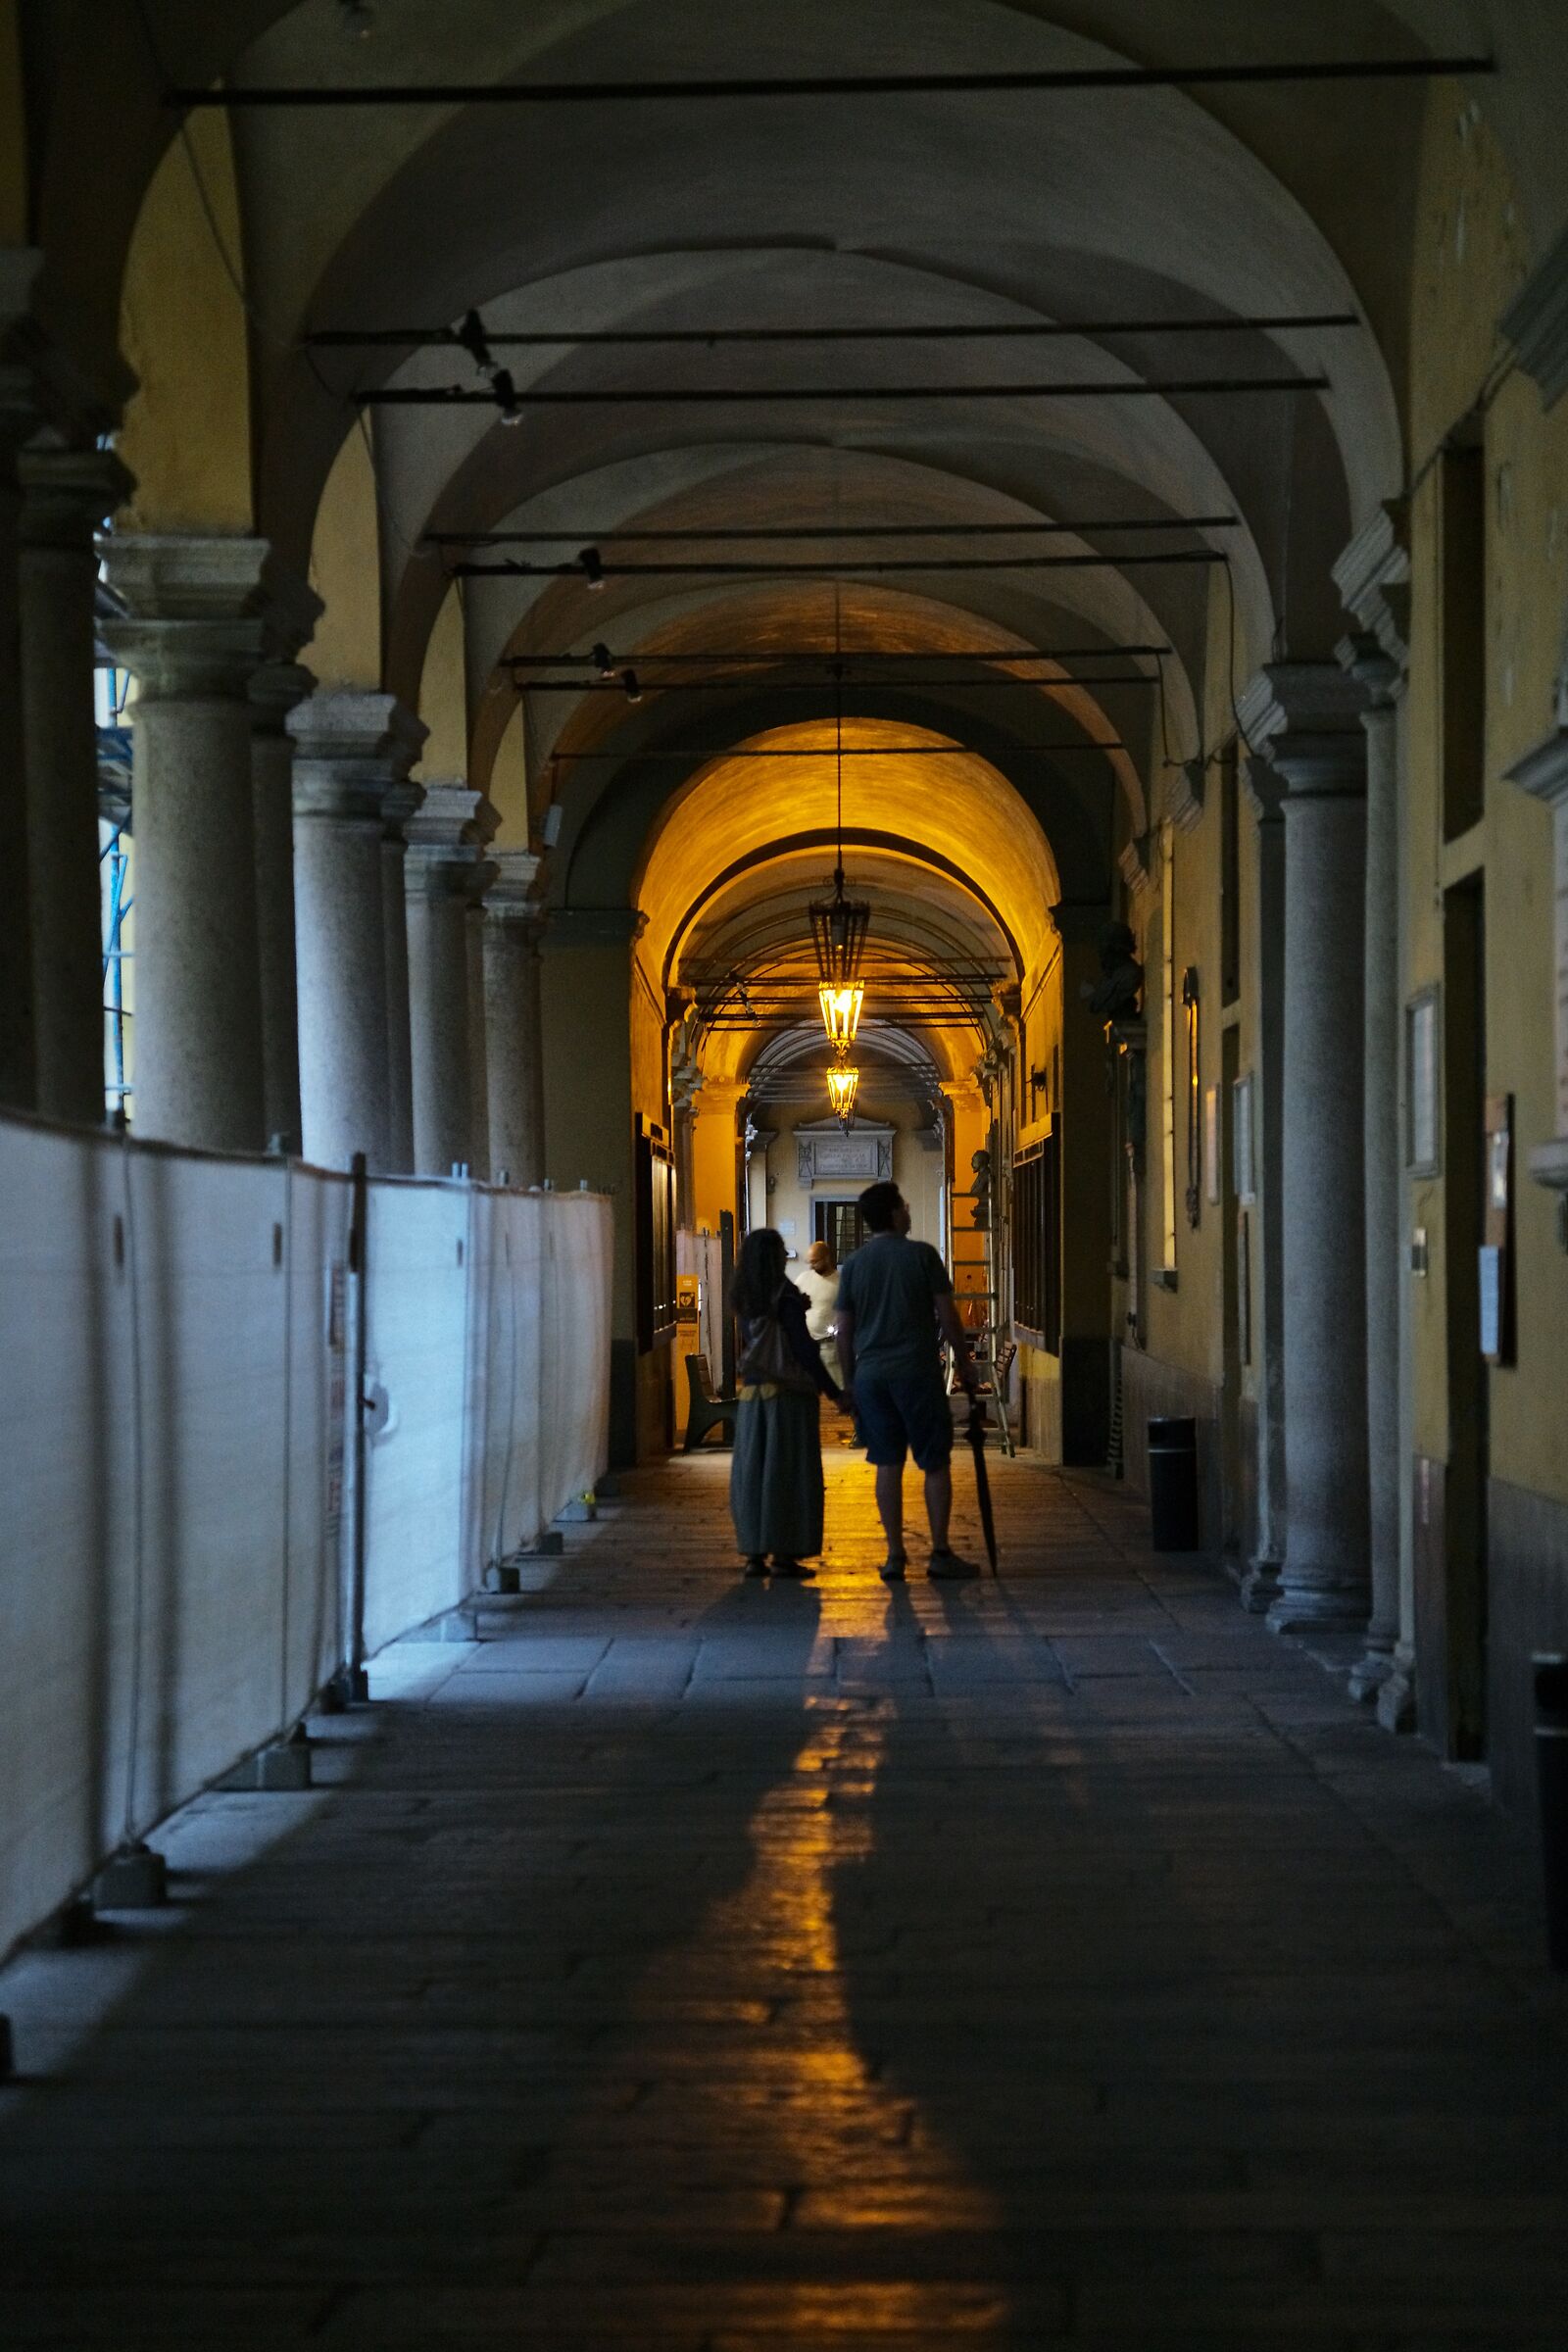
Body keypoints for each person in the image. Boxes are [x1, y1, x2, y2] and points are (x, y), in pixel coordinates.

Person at [835, 1180, 980, 1582]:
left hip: (872, 1377)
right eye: (905, 1204)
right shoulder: (922, 1256)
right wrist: (964, 1362)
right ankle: (939, 1551)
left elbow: (843, 1330)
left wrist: (849, 1384)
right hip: (916, 1373)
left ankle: (895, 1555)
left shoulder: (856, 1265)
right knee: (934, 1462)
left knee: (887, 1463)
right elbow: (947, 1315)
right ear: (896, 1213)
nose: (908, 1210)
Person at [729, 1227, 845, 1580]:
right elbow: (804, 1350)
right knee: (787, 1476)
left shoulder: (746, 1296)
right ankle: (783, 1554)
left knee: (753, 1476)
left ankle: (753, 1555)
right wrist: (835, 1392)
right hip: (788, 1400)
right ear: (775, 1257)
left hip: (752, 1400)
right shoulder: (785, 1295)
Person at [791, 1238, 843, 1387]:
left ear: (826, 1258)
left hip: (829, 1346)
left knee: (839, 1389)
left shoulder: (841, 1282)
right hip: (806, 1345)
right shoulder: (803, 1278)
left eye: (816, 1261)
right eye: (810, 1262)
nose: (812, 1265)